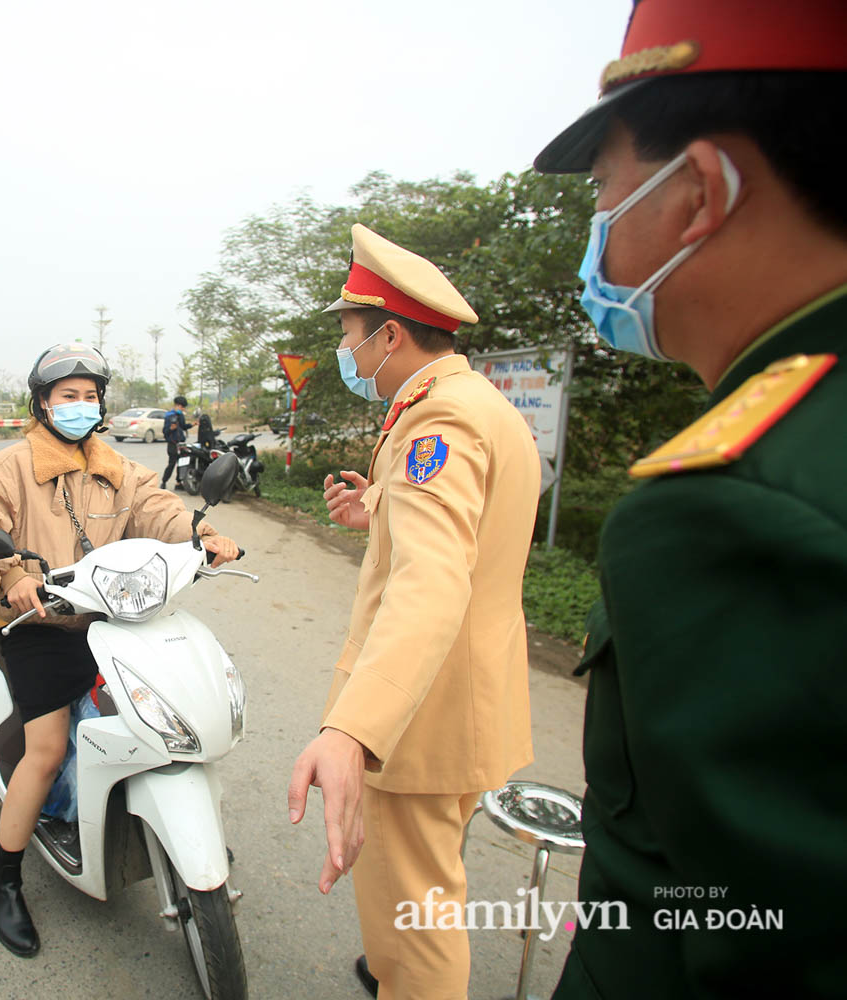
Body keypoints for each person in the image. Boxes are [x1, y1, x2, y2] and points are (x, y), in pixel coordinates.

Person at [532, 2, 847, 995]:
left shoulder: (731, 504)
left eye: (603, 192)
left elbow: (759, 942)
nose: (599, 231)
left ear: (698, 191)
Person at [285, 224, 540, 999]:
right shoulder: (472, 402)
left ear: (389, 335)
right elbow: (472, 534)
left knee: (414, 929)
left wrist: (354, 729)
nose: (347, 354)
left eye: (350, 337)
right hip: (462, 701)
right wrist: (379, 510)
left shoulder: (440, 420)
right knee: (428, 895)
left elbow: (433, 582)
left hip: (416, 724)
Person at [0, 345, 239, 958]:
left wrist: (201, 535)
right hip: (40, 624)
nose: (80, 406)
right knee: (45, 752)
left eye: (89, 395)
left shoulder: (119, 469)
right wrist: (12, 574)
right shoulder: (7, 470)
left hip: (115, 620)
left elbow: (159, 512)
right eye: (67, 396)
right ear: (43, 403)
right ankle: (4, 878)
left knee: (169, 712)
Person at [159, 393, 191, 489]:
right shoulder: (169, 416)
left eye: (183, 407)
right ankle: (163, 482)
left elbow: (183, 426)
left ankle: (178, 483)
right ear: (177, 405)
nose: (182, 409)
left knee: (181, 463)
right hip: (172, 444)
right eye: (181, 407)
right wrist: (171, 428)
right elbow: (165, 432)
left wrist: (192, 425)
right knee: (172, 464)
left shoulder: (180, 416)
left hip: (180, 444)